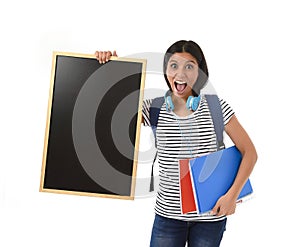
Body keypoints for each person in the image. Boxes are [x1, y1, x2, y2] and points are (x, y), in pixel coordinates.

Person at [95, 40, 257, 247]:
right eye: (174, 65)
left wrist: (232, 196)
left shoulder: (217, 108)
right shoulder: (152, 109)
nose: (181, 73)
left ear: (200, 72)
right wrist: (112, 67)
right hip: (168, 217)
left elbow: (250, 152)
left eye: (189, 66)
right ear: (166, 70)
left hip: (211, 218)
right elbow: (109, 108)